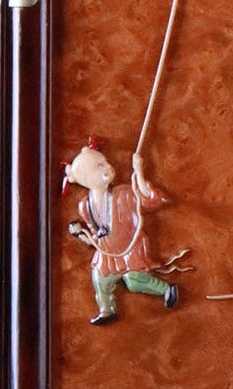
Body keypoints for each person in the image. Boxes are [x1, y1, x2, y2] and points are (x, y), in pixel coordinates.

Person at [62, 138, 182, 323]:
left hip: (129, 246)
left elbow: (149, 200)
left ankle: (166, 290)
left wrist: (139, 172)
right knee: (100, 279)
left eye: (105, 162)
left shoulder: (124, 193)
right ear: (85, 179)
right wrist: (83, 235)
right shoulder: (85, 206)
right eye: (99, 166)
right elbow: (95, 233)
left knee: (134, 281)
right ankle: (107, 310)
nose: (107, 167)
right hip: (107, 250)